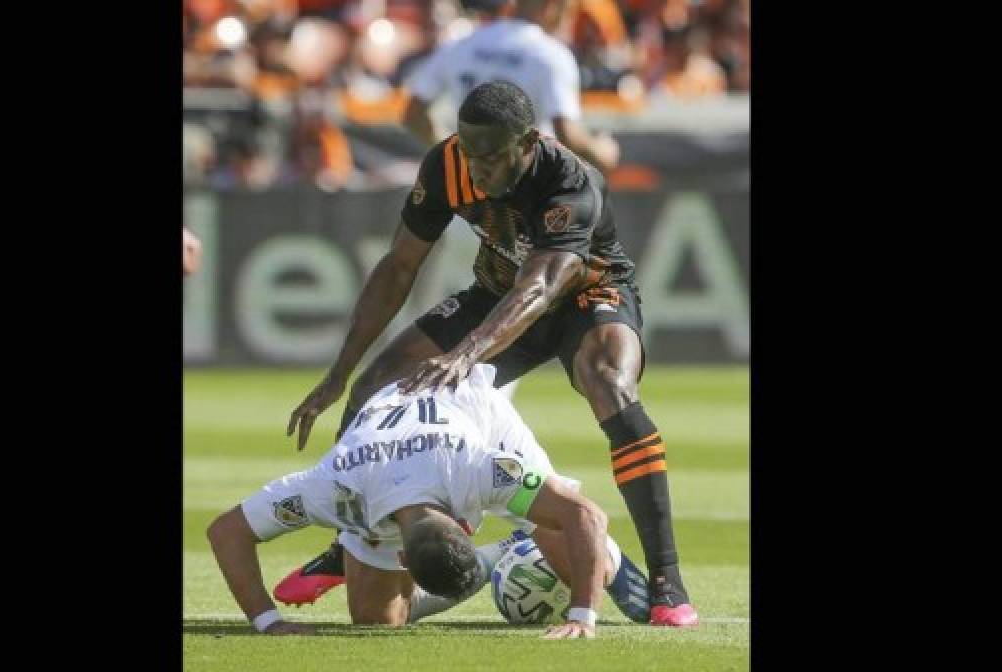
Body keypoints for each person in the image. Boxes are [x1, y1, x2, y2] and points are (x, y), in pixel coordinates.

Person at [277, 80, 697, 627]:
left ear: (529, 143)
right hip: (497, 293)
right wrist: (339, 373)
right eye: (472, 153)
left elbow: (543, 287)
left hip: (586, 295)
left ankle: (666, 578)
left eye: (494, 157)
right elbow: (399, 265)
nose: (479, 169)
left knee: (610, 385)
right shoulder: (448, 164)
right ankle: (351, 539)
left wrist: (468, 353)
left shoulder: (570, 181)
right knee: (378, 384)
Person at [208, 364, 653, 638]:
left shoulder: (484, 467)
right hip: (386, 451)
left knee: (578, 554)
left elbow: (586, 515)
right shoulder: (335, 487)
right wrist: (267, 624)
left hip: (474, 412)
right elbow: (225, 532)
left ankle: (525, 540)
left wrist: (583, 615)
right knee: (376, 621)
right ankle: (501, 553)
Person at [402, 0, 620, 175]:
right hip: (526, 194)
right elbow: (569, 136)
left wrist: (460, 155)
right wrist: (603, 151)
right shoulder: (550, 55)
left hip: (469, 197)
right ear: (552, 6)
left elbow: (413, 115)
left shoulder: (461, 45)